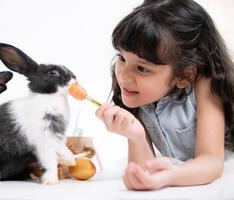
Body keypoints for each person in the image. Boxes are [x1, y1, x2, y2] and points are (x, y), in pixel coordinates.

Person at [95, 0, 234, 190]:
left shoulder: (205, 84)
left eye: (142, 68)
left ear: (184, 75)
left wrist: (171, 175)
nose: (124, 76)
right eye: (121, 58)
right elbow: (144, 172)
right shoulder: (139, 96)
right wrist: (135, 136)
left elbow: (211, 161)